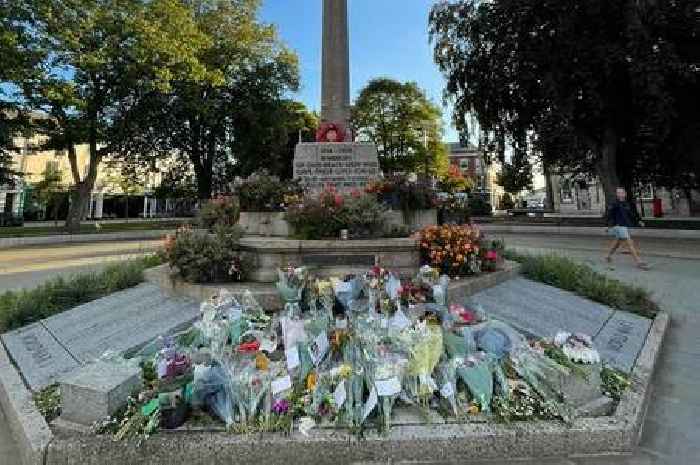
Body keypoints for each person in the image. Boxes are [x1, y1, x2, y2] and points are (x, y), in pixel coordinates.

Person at [605, 187, 649, 270]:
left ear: (625, 194)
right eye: (618, 193)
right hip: (619, 226)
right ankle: (639, 261)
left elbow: (632, 214)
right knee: (630, 243)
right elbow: (609, 215)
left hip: (625, 225)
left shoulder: (627, 204)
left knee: (617, 243)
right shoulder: (615, 204)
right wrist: (607, 225)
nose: (619, 194)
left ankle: (607, 256)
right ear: (616, 194)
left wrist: (639, 221)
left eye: (621, 192)